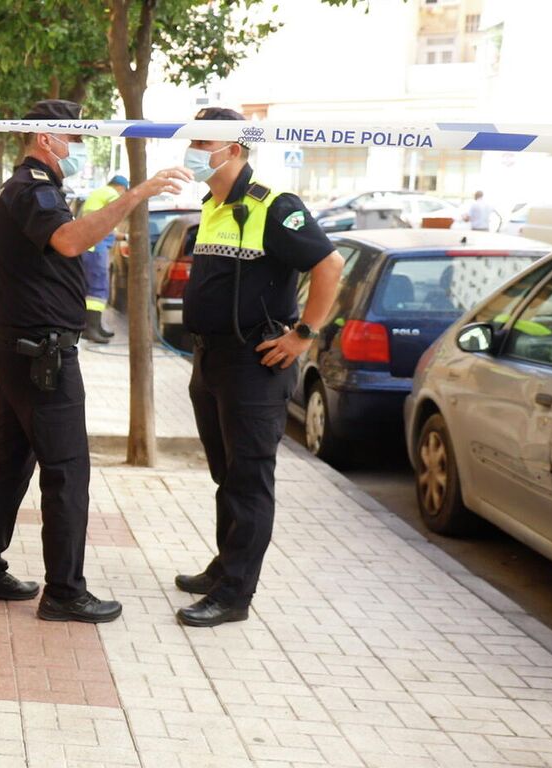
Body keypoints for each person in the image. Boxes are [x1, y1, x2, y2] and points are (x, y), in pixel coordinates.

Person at [0, 98, 188, 623]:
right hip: (40, 360)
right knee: (67, 472)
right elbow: (67, 241)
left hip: (12, 352)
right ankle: (65, 590)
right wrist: (138, 194)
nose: (81, 150)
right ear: (48, 139)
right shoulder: (35, 191)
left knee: (11, 463)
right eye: (77, 139)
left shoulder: (16, 192)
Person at [172, 107, 343, 627]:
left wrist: (303, 336)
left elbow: (329, 264)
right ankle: (226, 565)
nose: (195, 152)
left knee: (248, 479)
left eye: (204, 143)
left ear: (235, 149)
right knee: (226, 473)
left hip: (253, 363)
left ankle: (234, 595)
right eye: (194, 141)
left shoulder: (273, 204)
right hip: (211, 359)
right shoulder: (213, 204)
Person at [78, 174, 130, 343]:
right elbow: (122, 208)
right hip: (95, 248)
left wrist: (123, 237)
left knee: (94, 288)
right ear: (120, 187)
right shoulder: (112, 195)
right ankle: (91, 329)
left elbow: (103, 226)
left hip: (90, 245)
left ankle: (95, 325)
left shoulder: (98, 194)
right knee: (97, 289)